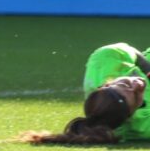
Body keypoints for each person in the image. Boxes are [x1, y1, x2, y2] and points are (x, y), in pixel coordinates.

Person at [19, 43, 150, 144]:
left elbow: (121, 49)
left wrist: (146, 67)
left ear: (107, 84)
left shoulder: (103, 65)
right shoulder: (142, 127)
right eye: (136, 96)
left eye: (125, 84)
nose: (137, 84)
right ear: (129, 117)